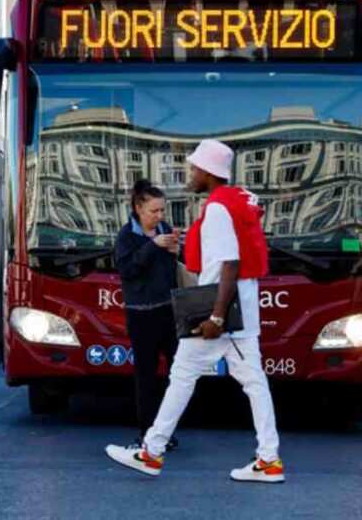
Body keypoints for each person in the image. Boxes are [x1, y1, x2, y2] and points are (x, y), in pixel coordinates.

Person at [106, 139, 284, 483]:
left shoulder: (217, 209)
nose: (190, 172)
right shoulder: (236, 201)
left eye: (194, 167)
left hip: (219, 310)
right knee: (251, 382)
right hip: (240, 309)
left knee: (184, 375)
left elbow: (230, 263)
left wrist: (216, 317)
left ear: (208, 171)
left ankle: (151, 452)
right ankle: (269, 458)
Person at [113, 179, 179, 449]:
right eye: (154, 211)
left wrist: (176, 250)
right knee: (146, 375)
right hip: (141, 313)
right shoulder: (126, 235)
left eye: (162, 210)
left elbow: (173, 268)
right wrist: (153, 246)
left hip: (168, 310)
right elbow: (126, 269)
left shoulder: (164, 229)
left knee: (178, 372)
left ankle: (166, 430)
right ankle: (146, 431)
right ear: (138, 209)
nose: (159, 216)